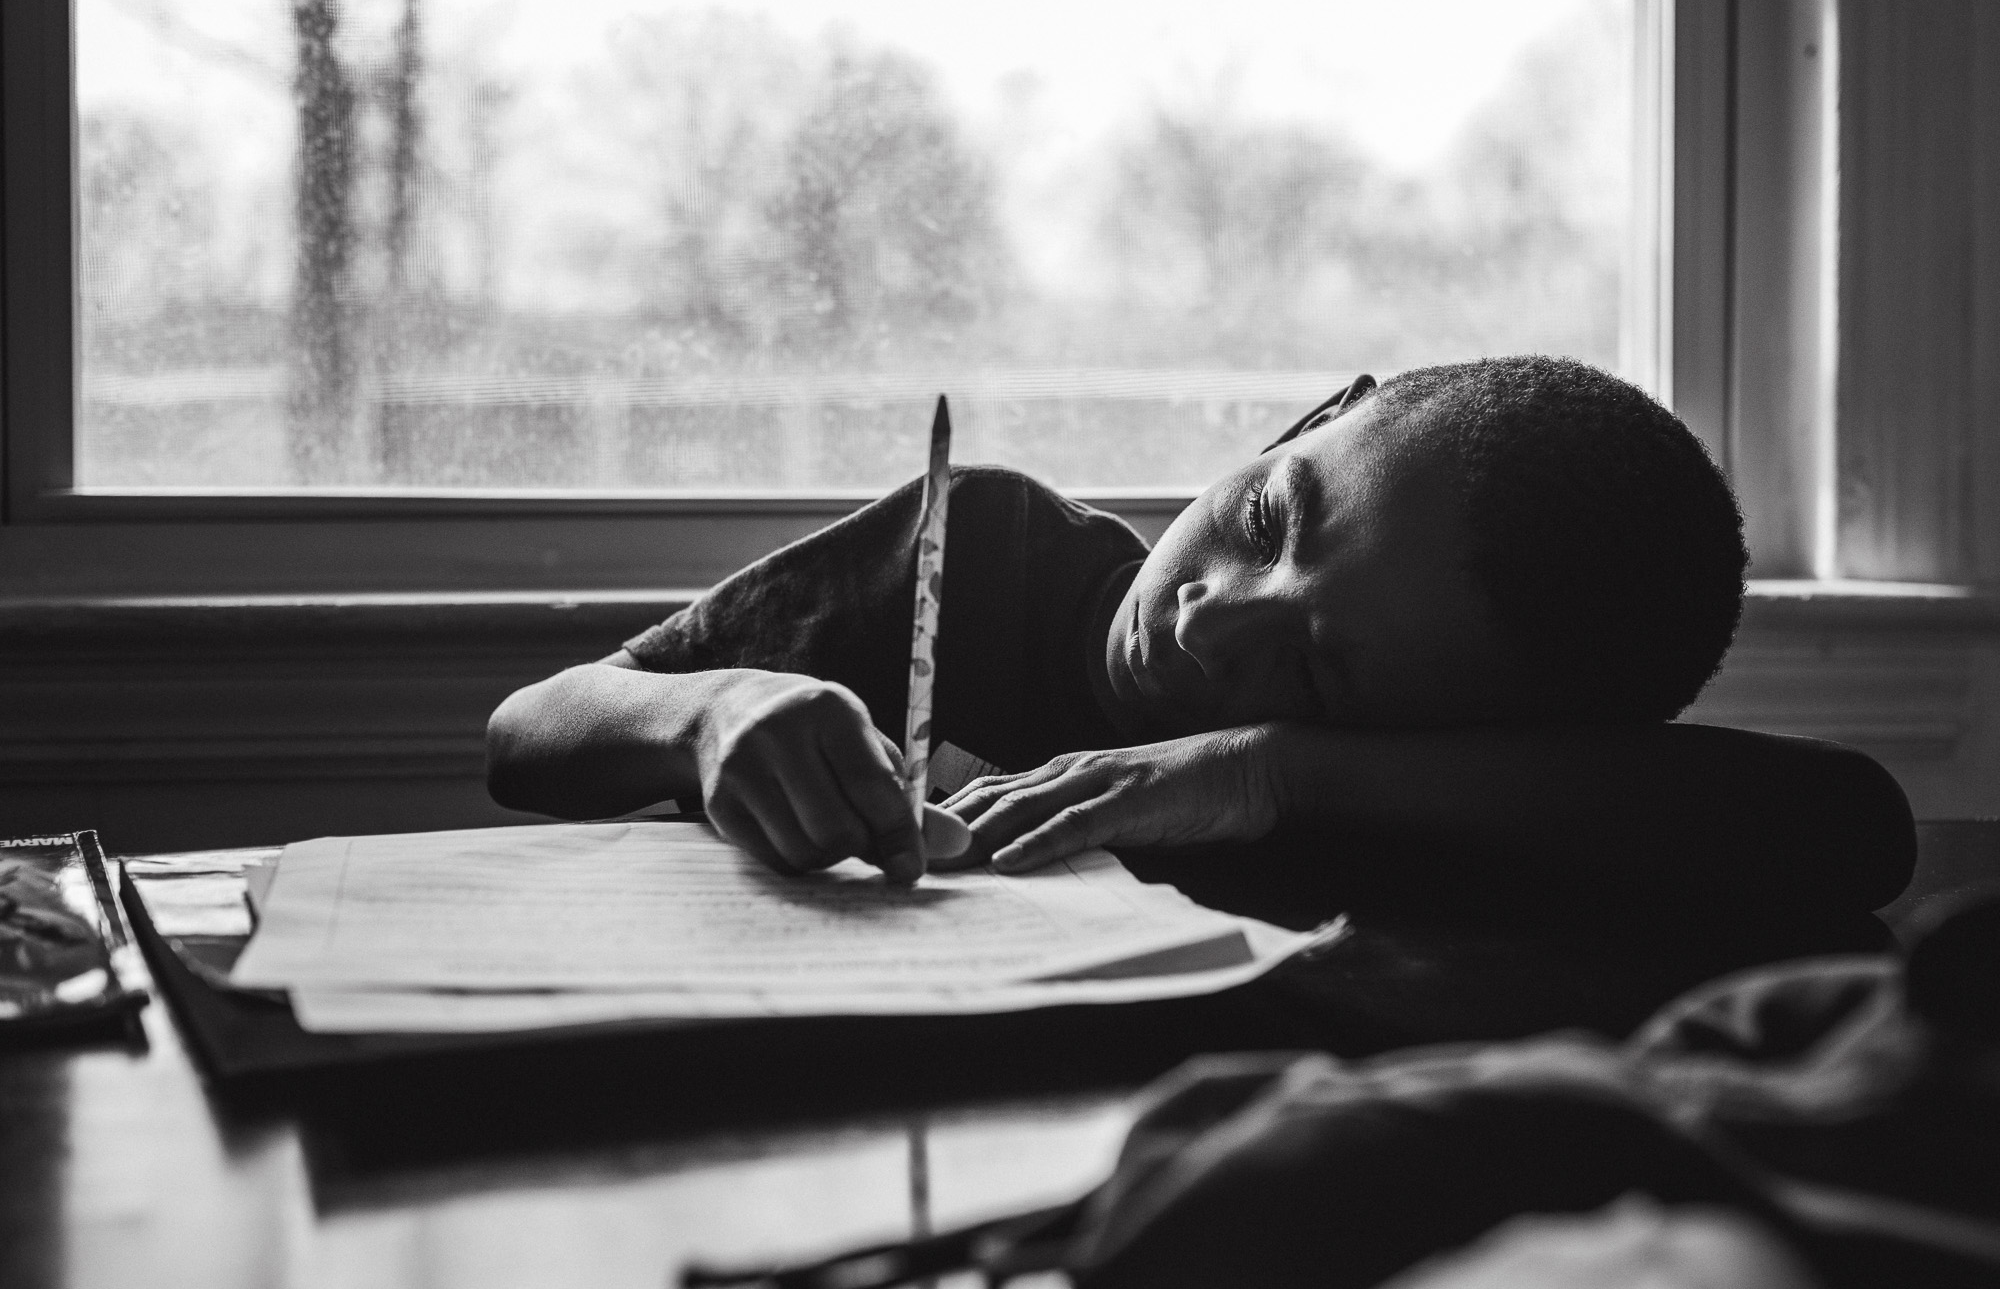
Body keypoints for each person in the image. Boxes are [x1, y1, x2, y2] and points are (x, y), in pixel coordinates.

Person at [486, 356, 1914, 927]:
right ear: (1306, 419)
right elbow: (530, 735)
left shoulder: (1383, 793)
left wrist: (1270, 772)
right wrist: (711, 711)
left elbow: (1849, 831)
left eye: (1317, 667)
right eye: (1272, 516)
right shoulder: (984, 553)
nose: (1215, 614)